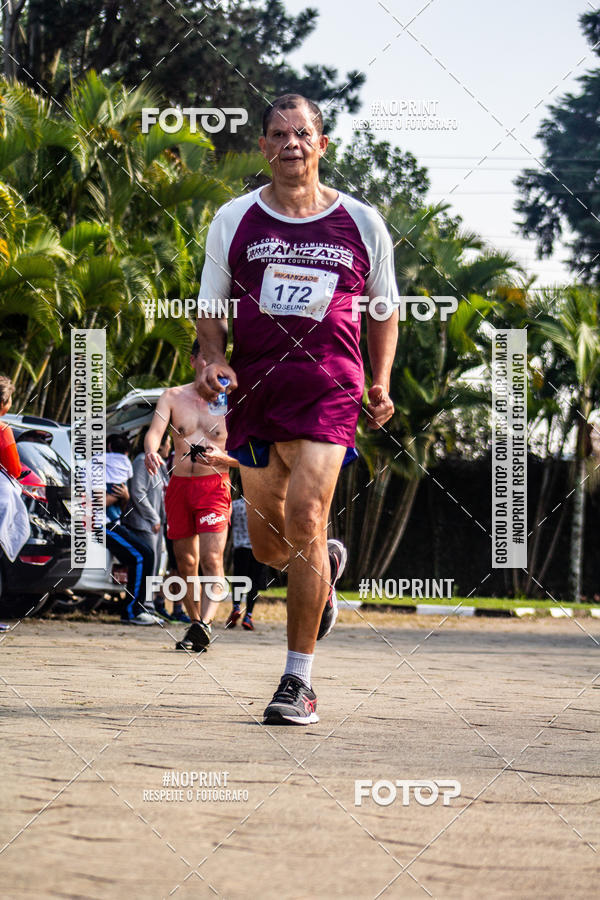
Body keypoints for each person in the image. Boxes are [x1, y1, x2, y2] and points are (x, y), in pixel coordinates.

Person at [195, 94, 398, 724]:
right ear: (264, 148)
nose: (292, 144)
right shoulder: (234, 220)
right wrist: (212, 362)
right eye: (279, 135)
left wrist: (380, 380)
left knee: (309, 512)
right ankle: (326, 569)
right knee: (271, 548)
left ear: (322, 144)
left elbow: (384, 309)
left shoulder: (363, 222)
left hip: (331, 386)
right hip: (256, 394)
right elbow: (210, 309)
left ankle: (297, 681)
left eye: (303, 134)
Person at [144, 340, 240, 652]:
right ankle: (196, 623)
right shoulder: (173, 396)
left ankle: (206, 623)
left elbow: (253, 455)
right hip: (179, 486)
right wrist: (150, 452)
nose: (213, 369)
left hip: (214, 486)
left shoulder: (234, 402)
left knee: (212, 557)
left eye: (219, 361)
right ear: (193, 361)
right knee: (186, 562)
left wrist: (223, 459)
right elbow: (155, 433)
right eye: (206, 360)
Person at [225, 493, 268, 630]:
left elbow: (228, 526)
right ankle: (248, 615)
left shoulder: (235, 505)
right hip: (259, 550)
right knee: (254, 583)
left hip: (240, 549)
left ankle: (236, 608)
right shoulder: (263, 506)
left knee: (239, 580)